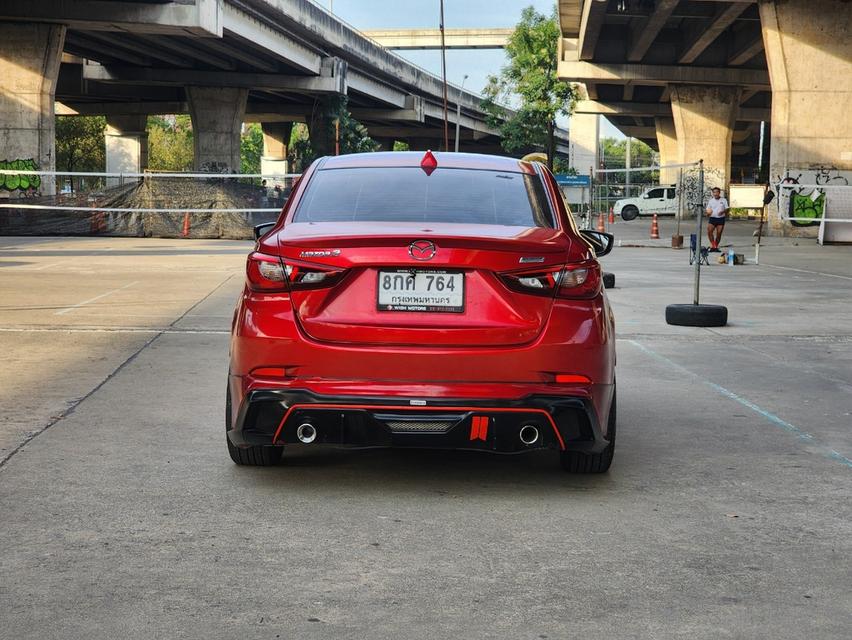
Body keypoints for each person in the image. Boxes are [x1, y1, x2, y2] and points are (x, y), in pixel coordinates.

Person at [705, 186, 730, 252]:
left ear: (719, 193)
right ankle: (713, 245)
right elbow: (707, 211)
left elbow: (727, 209)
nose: (715, 194)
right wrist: (708, 213)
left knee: (719, 233)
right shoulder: (711, 201)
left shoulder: (723, 200)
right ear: (713, 193)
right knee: (709, 231)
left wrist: (723, 212)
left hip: (721, 219)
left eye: (717, 192)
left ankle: (715, 246)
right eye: (714, 192)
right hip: (712, 218)